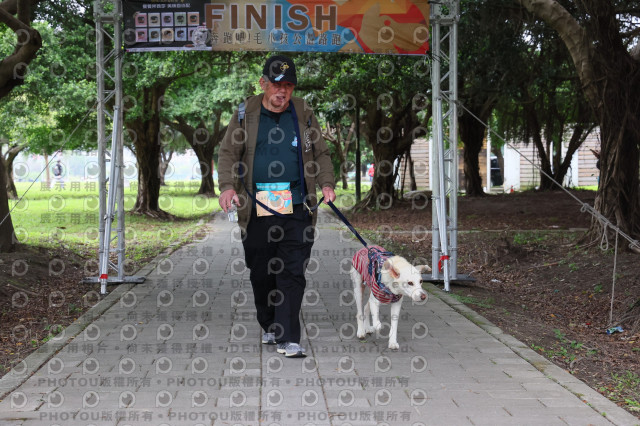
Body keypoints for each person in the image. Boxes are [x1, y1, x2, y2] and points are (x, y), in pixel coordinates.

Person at [218, 55, 336, 358]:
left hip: (297, 205)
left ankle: (288, 336)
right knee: (261, 270)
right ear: (263, 84)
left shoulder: (304, 112)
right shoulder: (245, 113)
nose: (281, 91)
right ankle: (269, 322)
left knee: (293, 270)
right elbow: (228, 152)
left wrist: (326, 184)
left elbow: (321, 153)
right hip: (256, 204)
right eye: (276, 85)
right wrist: (227, 187)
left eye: (288, 86)